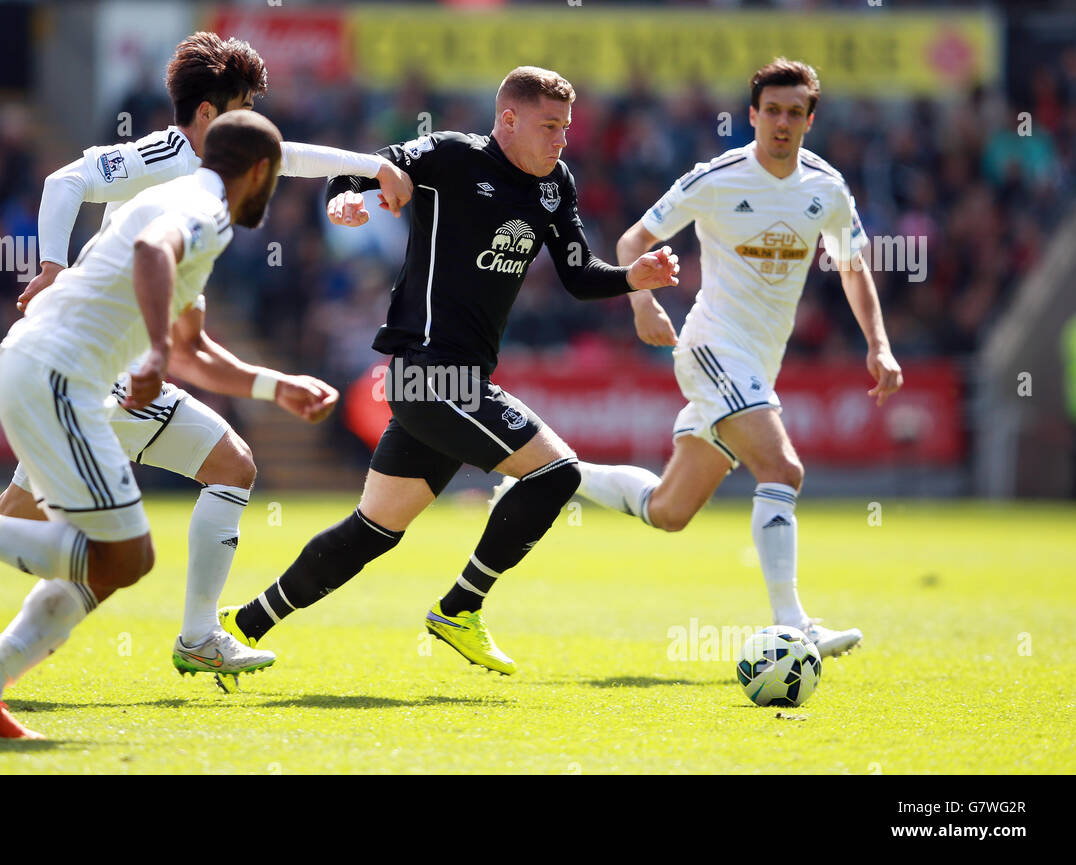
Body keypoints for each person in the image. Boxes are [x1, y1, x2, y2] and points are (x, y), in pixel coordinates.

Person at [0, 32, 412, 694]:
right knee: (93, 545)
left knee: (199, 474)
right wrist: (52, 269)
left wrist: (371, 164)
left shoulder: (219, 167)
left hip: (105, 367)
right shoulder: (173, 152)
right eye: (241, 109)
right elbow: (68, 179)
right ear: (208, 115)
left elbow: (282, 157)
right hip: (100, 374)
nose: (254, 129)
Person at [215, 66, 680, 686]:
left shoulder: (555, 185)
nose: (561, 140)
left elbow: (576, 274)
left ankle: (244, 624)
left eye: (566, 128)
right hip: (431, 375)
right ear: (508, 120)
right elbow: (363, 167)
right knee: (558, 472)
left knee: (373, 530)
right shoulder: (453, 155)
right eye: (549, 126)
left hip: (448, 382)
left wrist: (631, 279)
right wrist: (344, 201)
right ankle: (460, 608)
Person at [0, 111, 285, 738]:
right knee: (110, 553)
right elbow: (155, 262)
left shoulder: (174, 196)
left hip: (46, 368)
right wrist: (152, 353)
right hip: (64, 378)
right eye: (277, 178)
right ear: (259, 172)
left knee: (115, 560)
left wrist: (277, 386)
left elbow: (191, 349)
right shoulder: (203, 213)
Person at [555, 59, 903, 656]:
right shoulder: (715, 178)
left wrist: (879, 343)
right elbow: (632, 241)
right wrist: (641, 305)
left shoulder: (826, 189)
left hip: (756, 366)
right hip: (712, 348)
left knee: (667, 510)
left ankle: (551, 478)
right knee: (783, 471)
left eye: (795, 112)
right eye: (772, 111)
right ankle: (795, 624)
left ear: (809, 120)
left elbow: (852, 265)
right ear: (753, 115)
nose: (782, 123)